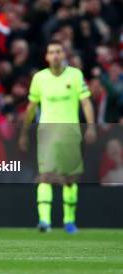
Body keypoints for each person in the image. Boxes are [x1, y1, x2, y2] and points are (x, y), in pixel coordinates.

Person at [20, 40, 96, 234]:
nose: (55, 55)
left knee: (70, 179)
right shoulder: (39, 78)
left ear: (64, 55)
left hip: (70, 133)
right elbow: (31, 107)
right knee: (45, 176)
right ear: (46, 57)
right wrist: (23, 132)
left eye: (58, 51)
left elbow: (86, 103)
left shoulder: (76, 75)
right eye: (51, 52)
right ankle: (44, 221)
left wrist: (91, 127)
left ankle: (69, 222)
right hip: (47, 133)